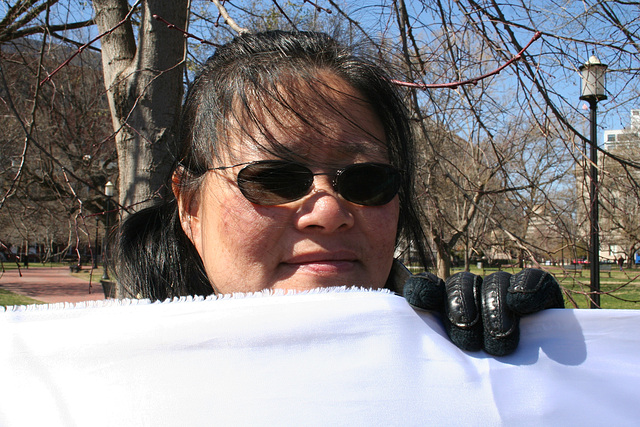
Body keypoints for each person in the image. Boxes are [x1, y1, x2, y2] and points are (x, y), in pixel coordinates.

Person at [115, 30, 562, 355]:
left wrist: (541, 361)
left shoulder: (461, 360)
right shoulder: (94, 386)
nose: (328, 211)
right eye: (273, 178)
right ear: (190, 206)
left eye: (365, 180)